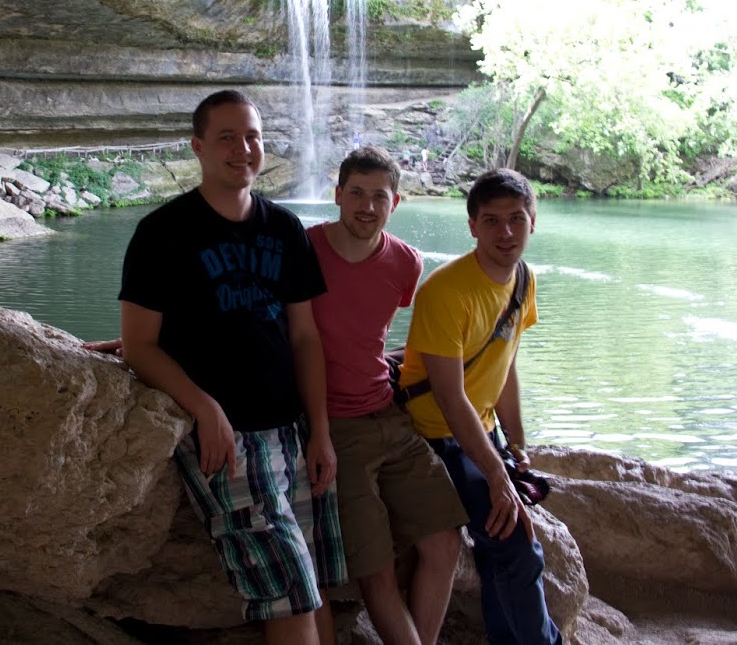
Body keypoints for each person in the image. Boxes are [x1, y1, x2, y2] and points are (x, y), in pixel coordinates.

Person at [118, 90, 345, 644]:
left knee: (312, 586)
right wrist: (204, 406)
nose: (243, 149)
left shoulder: (286, 230)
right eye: (227, 137)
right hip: (225, 440)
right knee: (290, 590)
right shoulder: (161, 233)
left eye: (253, 137)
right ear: (198, 147)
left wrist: (320, 433)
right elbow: (138, 346)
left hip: (291, 432)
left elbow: (305, 337)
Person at [396, 168, 562, 645]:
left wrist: (516, 446)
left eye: (515, 219)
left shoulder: (523, 280)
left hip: (480, 432)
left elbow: (504, 365)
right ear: (472, 226)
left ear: (533, 221)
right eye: (491, 220)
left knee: (500, 549)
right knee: (515, 543)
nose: (505, 233)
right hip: (435, 437)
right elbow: (450, 399)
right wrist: (497, 476)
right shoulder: (445, 292)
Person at [308, 146, 466, 645]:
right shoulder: (302, 250)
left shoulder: (405, 264)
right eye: (356, 193)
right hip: (335, 428)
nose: (366, 206)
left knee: (444, 542)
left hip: (390, 417)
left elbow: (373, 337)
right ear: (337, 195)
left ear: (395, 203)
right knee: (374, 569)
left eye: (379, 196)